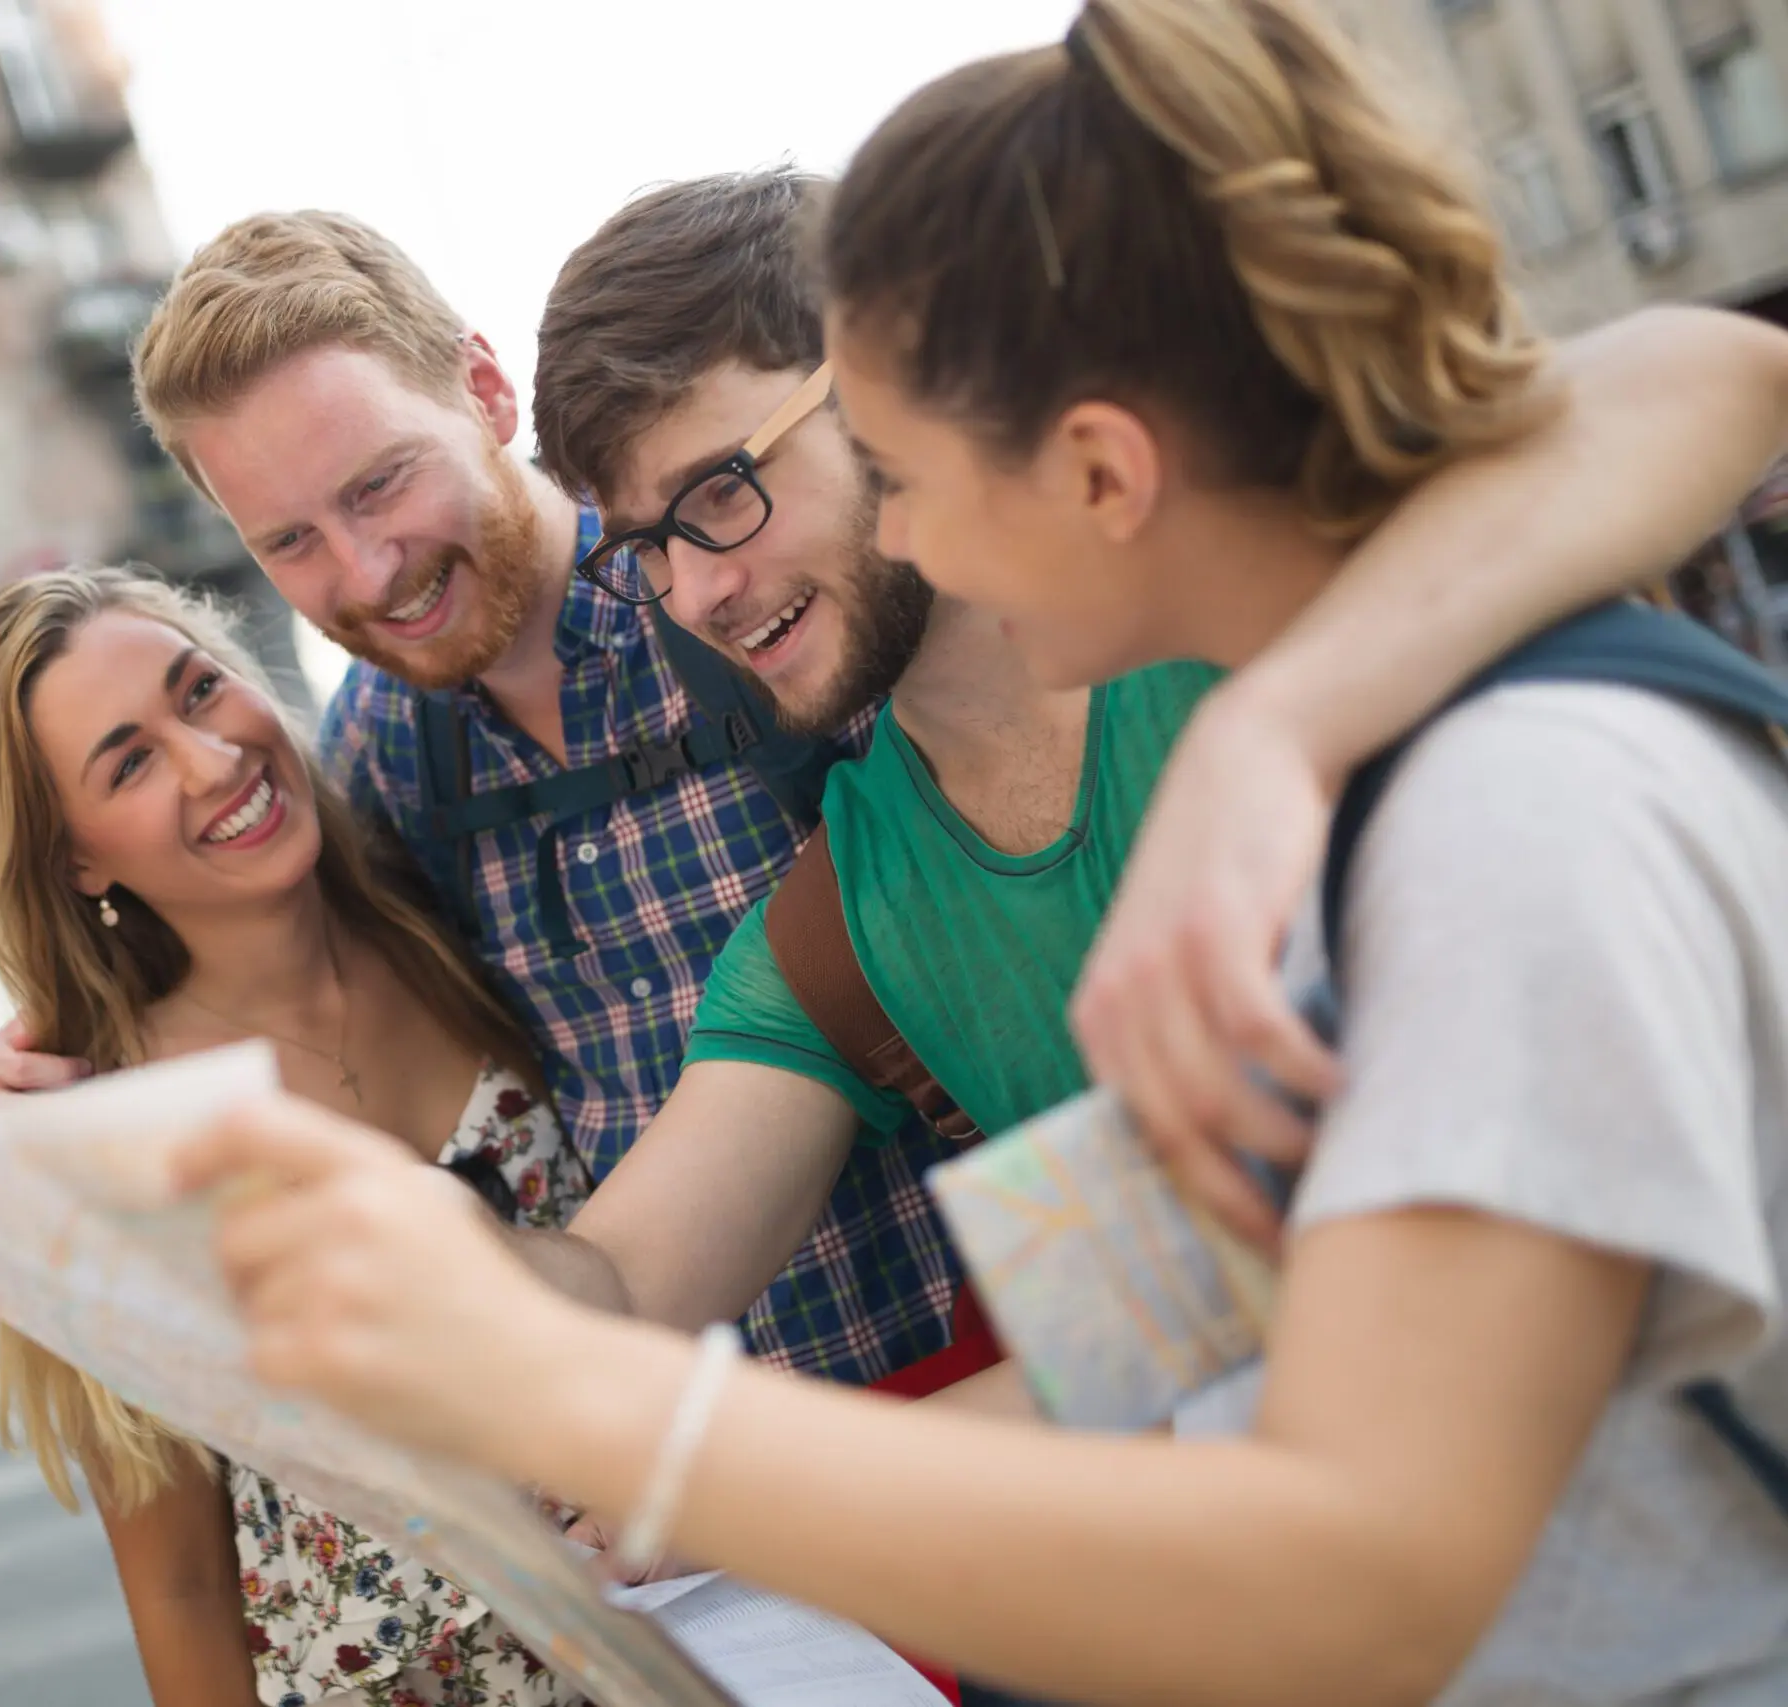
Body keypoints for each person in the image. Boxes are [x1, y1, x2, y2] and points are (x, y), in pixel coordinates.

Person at [167, 2, 1788, 1701]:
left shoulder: (1449, 761)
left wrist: (655, 1436)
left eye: (879, 459)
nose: (697, 592)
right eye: (651, 543)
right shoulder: (863, 900)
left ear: (1084, 445)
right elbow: (1167, 1332)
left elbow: (1375, 1557)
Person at [0, 566, 588, 1707]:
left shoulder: (446, 914)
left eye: (199, 691)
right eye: (129, 762)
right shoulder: (114, 1139)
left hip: (681, 1639)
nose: (214, 759)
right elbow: (179, 1585)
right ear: (76, 858)